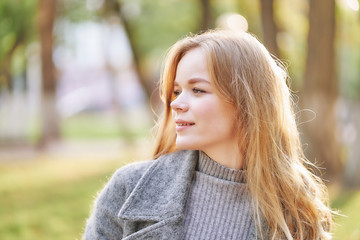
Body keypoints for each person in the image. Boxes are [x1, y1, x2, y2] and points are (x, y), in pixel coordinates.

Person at [82, 30, 333, 240]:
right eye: (177, 91)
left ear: (247, 101)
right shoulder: (128, 188)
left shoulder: (298, 208)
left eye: (198, 90)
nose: (176, 104)